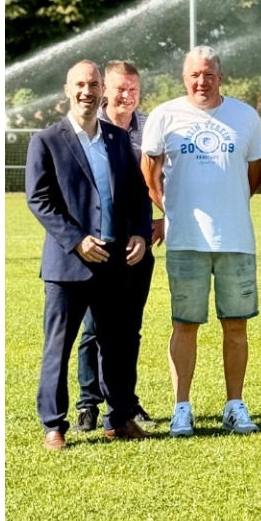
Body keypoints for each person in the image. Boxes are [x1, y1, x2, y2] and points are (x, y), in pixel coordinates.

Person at [25, 60, 154, 448]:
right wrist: (77, 239)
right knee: (59, 348)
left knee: (118, 344)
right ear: (67, 89)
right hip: (68, 266)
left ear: (102, 90)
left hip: (115, 262)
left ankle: (120, 418)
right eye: (80, 84)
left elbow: (137, 195)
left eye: (94, 84)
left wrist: (139, 233)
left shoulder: (116, 139)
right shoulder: (46, 140)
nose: (87, 91)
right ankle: (54, 425)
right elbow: (39, 199)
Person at [141, 45, 261, 437]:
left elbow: (255, 175)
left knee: (236, 325)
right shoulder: (165, 115)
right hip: (185, 241)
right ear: (185, 78)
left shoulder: (245, 116)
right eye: (195, 74)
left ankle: (235, 405)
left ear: (220, 77)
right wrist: (171, 208)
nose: (202, 80)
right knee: (185, 324)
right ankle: (182, 407)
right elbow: (150, 171)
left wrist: (226, 204)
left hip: (236, 240)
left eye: (209, 73)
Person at [71, 60, 164, 433]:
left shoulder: (151, 129)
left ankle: (125, 403)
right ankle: (87, 403)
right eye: (120, 89)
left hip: (138, 245)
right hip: (100, 247)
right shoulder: (93, 129)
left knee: (130, 329)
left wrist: (160, 221)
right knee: (94, 329)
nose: (126, 95)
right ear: (104, 90)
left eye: (133, 89)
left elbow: (161, 182)